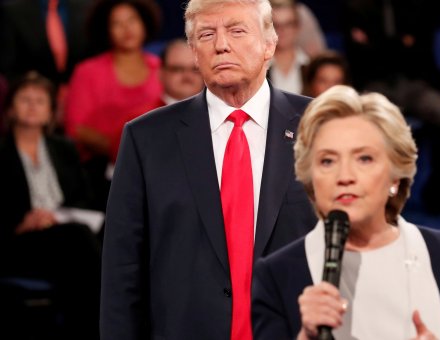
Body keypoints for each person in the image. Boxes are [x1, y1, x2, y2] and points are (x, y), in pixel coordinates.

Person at [100, 0, 317, 339]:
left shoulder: (321, 127)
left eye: (236, 30)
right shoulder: (146, 139)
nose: (221, 45)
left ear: (270, 44)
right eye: (206, 34)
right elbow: (122, 269)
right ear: (193, 52)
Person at [252, 85, 440, 339]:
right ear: (310, 179)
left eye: (364, 158)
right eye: (327, 161)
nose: (345, 176)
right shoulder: (277, 276)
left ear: (395, 177)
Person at [0, 71, 101, 340]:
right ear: (10, 109)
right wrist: (22, 223)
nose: (33, 106)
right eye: (25, 99)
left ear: (51, 112)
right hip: (21, 241)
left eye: (40, 101)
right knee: (79, 241)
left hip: (65, 234)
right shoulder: (2, 153)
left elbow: (85, 198)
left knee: (85, 241)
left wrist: (57, 217)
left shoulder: (64, 149)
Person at [341, 0, 440, 215]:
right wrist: (401, 43)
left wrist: (377, 45)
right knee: (366, 126)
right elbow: (358, 54)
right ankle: (374, 199)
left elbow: (421, 48)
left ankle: (439, 190)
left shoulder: (420, 5)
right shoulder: (356, 6)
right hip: (374, 85)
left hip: (416, 83)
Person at [64, 0, 163, 209]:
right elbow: (76, 130)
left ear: (144, 23)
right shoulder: (87, 72)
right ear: (106, 30)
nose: (127, 29)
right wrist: (123, 152)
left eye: (132, 20)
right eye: (117, 23)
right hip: (102, 172)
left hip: (160, 168)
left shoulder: (162, 68)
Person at [268, 0, 309, 94]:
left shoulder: (310, 67)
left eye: (288, 24)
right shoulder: (257, 68)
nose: (282, 30)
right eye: (276, 25)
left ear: (297, 27)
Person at [158, 38, 205, 106]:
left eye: (195, 69)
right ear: (161, 74)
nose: (187, 76)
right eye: (177, 69)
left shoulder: (222, 114)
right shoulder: (143, 115)